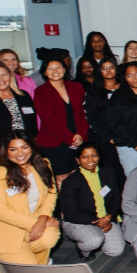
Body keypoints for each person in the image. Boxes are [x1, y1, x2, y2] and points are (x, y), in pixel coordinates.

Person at [0, 131, 59, 273]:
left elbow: (51, 193)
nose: (20, 153)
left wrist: (43, 218)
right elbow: (0, 212)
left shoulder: (43, 164)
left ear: (32, 147)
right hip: (4, 229)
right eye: (13, 149)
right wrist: (36, 224)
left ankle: (34, 261)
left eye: (24, 147)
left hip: (33, 223)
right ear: (6, 151)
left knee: (50, 237)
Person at [60, 143, 125, 262]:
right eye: (85, 157)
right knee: (94, 241)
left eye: (93, 155)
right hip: (79, 221)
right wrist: (100, 222)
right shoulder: (70, 182)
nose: (90, 160)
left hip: (105, 217)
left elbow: (116, 197)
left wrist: (109, 217)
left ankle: (99, 235)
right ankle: (84, 251)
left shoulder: (109, 172)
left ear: (99, 157)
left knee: (116, 250)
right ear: (77, 160)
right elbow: (71, 213)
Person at [34, 58, 88, 187]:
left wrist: (80, 134)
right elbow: (49, 120)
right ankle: (66, 207)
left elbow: (83, 113)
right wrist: (70, 138)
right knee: (62, 176)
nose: (55, 71)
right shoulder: (40, 92)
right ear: (45, 72)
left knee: (79, 174)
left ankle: (79, 206)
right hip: (55, 142)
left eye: (58, 67)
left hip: (78, 139)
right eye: (50, 68)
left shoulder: (76, 87)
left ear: (64, 70)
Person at [83, 57, 124, 185]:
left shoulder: (125, 88)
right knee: (110, 173)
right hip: (103, 139)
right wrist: (109, 137)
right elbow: (92, 117)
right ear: (99, 71)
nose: (108, 71)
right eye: (104, 68)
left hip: (126, 137)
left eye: (111, 67)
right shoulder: (94, 91)